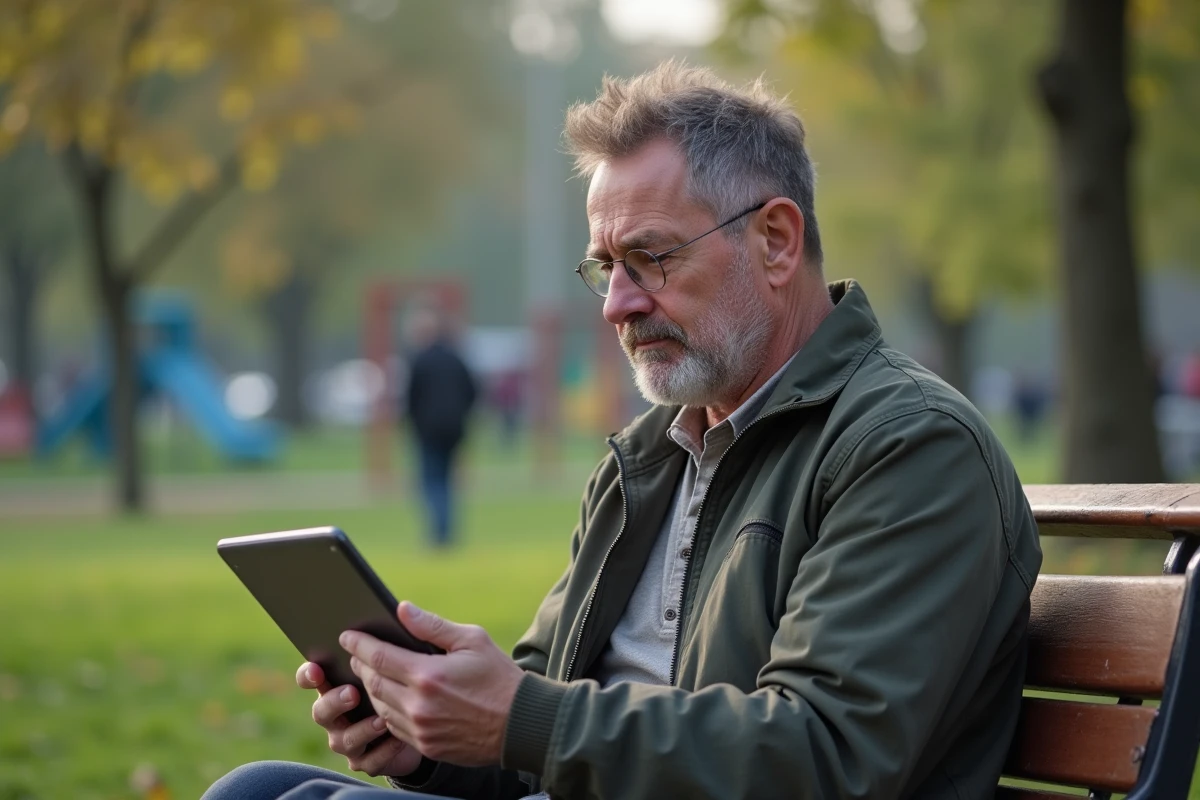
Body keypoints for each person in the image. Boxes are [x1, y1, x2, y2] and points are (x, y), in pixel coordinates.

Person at [204, 62, 1043, 800]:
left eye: (651, 258)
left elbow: (825, 756)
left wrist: (520, 718)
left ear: (777, 241)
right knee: (258, 788)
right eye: (606, 268)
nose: (617, 305)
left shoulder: (909, 447)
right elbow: (540, 727)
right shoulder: (650, 457)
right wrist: (426, 738)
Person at [402, 307, 477, 548]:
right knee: (446, 481)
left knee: (432, 481)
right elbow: (472, 391)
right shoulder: (455, 359)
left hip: (428, 430)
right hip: (454, 429)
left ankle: (439, 534)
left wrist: (412, 423)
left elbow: (411, 398)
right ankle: (446, 531)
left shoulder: (420, 360)